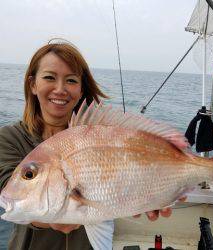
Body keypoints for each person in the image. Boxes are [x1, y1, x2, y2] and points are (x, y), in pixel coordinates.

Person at [0, 40, 172, 250]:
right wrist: (55, 216)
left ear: (81, 89)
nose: (60, 89)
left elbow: (123, 180)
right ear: (33, 84)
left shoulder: (101, 132)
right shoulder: (8, 138)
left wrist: (144, 195)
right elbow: (11, 192)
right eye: (49, 77)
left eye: (71, 80)